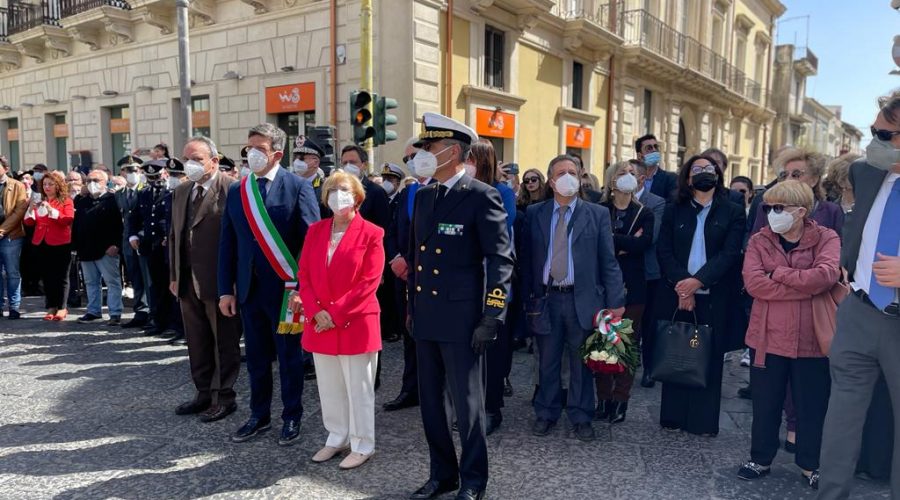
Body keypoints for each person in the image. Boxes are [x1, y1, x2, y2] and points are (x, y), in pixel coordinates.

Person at [406, 113, 514, 500]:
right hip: (427, 318)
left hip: (463, 320)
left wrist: (492, 314)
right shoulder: (424, 197)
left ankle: (473, 480)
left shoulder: (481, 196)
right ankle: (442, 474)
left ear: (453, 152)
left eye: (430, 148)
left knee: (468, 409)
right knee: (432, 405)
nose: (423, 155)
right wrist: (412, 310)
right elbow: (416, 259)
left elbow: (502, 261)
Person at [818, 92, 900, 500]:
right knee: (842, 415)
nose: (874, 141)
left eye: (884, 134)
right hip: (859, 310)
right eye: (872, 132)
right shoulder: (867, 173)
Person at [218, 123, 319, 446]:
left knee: (289, 359)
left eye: (259, 148)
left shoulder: (298, 186)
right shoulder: (238, 190)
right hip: (249, 290)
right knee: (257, 358)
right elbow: (228, 244)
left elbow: (311, 242)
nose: (251, 154)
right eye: (249, 147)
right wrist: (225, 289)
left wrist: (305, 289)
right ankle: (258, 415)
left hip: (287, 292)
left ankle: (292, 417)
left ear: (277, 153)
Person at [737, 180, 839, 489]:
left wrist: (778, 274)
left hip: (811, 338)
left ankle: (811, 464)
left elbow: (826, 276)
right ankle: (761, 458)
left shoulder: (826, 237)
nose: (771, 213)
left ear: (801, 211)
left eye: (778, 208)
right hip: (767, 337)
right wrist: (804, 287)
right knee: (765, 403)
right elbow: (754, 284)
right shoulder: (759, 240)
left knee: (812, 405)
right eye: (768, 207)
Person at [521, 154, 625, 442]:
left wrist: (616, 302)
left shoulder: (597, 214)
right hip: (547, 299)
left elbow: (608, 260)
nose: (568, 176)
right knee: (548, 361)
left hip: (583, 300)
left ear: (580, 177)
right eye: (562, 172)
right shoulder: (535, 214)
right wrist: (528, 299)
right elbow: (528, 261)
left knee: (582, 363)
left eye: (573, 172)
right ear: (551, 181)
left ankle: (581, 416)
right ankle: (547, 412)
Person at [298, 170, 384, 470]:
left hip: (355, 322)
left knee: (358, 388)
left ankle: (363, 444)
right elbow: (304, 275)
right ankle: (337, 436)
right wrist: (315, 311)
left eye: (344, 189)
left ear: (357, 195)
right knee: (329, 386)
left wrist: (333, 314)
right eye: (332, 190)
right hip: (320, 322)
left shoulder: (372, 233)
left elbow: (368, 282)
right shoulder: (316, 231)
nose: (338, 195)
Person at [655, 154, 746, 436]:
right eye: (697, 168)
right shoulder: (674, 209)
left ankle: (701, 421)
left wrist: (698, 282)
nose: (704, 172)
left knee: (708, 356)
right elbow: (664, 250)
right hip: (677, 291)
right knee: (677, 350)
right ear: (687, 176)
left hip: (714, 293)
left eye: (709, 168)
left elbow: (730, 253)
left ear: (718, 175)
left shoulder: (732, 211)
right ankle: (673, 416)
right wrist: (683, 284)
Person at [169, 136, 243, 423]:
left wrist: (233, 284)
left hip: (218, 281)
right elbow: (175, 234)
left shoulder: (232, 189)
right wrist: (175, 274)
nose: (190, 164)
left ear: (214, 160)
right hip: (187, 280)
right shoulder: (182, 191)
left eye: (197, 159)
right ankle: (203, 392)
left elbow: (239, 239)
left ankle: (224, 396)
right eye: (187, 158)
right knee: (197, 340)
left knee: (223, 341)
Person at [595, 161, 654, 423]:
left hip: (634, 288)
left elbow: (643, 243)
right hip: (603, 287)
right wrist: (623, 242)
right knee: (604, 343)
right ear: (611, 181)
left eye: (632, 173)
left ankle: (621, 400)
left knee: (626, 345)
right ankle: (603, 399)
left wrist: (613, 239)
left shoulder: (645, 213)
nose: (628, 177)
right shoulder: (599, 210)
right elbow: (596, 244)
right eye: (622, 173)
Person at [466, 140, 516, 435]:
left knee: (494, 348)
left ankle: (491, 407)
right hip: (468, 281)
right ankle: (471, 404)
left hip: (495, 279)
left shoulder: (503, 192)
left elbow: (500, 235)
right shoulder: (460, 190)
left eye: (470, 158)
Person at [383, 138, 427, 413]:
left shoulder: (441, 189)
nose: (410, 161)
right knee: (409, 335)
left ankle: (437, 392)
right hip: (405, 277)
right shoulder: (406, 193)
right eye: (407, 157)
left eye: (415, 155)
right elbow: (389, 229)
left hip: (432, 279)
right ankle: (411, 389)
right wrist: (395, 258)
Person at [130, 160, 179, 338]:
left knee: (170, 286)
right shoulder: (144, 193)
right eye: (150, 177)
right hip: (150, 246)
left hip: (165, 245)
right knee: (155, 286)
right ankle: (159, 321)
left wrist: (168, 236)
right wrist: (133, 235)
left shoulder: (171, 192)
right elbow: (135, 216)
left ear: (164, 174)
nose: (154, 180)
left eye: (157, 176)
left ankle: (174, 323)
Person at [749, 148, 844, 237]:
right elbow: (754, 244)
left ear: (814, 180)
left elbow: (839, 248)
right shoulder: (767, 207)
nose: (788, 179)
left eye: (796, 174)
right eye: (784, 175)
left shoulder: (832, 211)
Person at [631, 159, 667, 388]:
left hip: (648, 272)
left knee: (649, 323)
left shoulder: (656, 202)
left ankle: (649, 369)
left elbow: (650, 237)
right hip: (623, 272)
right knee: (627, 323)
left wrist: (625, 239)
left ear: (642, 178)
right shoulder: (614, 200)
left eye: (631, 173)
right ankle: (625, 365)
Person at [73, 169, 124, 325]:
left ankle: (115, 313)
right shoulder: (82, 201)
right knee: (90, 282)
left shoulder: (112, 200)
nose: (91, 184)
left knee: (112, 282)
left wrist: (116, 245)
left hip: (106, 249)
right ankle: (93, 311)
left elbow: (120, 225)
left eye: (96, 181)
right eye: (88, 181)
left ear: (105, 182)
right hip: (86, 249)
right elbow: (76, 225)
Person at [24, 171, 74, 321]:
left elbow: (67, 219)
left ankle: (62, 307)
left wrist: (52, 210)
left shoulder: (66, 201)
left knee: (62, 276)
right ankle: (51, 305)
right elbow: (29, 223)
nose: (47, 187)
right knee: (47, 276)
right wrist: (30, 209)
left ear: (58, 185)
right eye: (45, 184)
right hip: (41, 242)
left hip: (60, 242)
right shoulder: (40, 200)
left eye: (50, 184)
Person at [116, 156, 151, 328]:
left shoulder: (146, 189)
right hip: (126, 243)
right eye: (128, 170)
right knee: (135, 278)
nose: (132, 173)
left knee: (148, 279)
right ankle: (140, 311)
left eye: (135, 170)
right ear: (122, 172)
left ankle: (151, 312)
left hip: (144, 240)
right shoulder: (118, 194)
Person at [0, 156, 27, 319]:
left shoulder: (17, 186)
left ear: (5, 168)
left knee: (12, 272)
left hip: (11, 235)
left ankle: (14, 306)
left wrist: (2, 230)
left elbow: (19, 211)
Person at [635, 134, 677, 200]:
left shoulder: (671, 179)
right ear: (639, 156)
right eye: (649, 148)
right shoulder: (633, 178)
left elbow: (671, 205)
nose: (654, 150)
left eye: (656, 147)